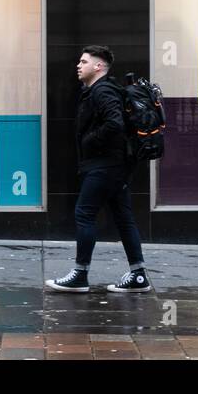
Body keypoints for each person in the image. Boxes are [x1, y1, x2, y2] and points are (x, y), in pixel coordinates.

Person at [45, 45, 151, 293]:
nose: (78, 66)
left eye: (84, 62)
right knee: (124, 218)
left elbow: (114, 123)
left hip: (104, 166)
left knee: (84, 214)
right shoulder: (102, 90)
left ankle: (80, 274)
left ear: (98, 66)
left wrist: (90, 140)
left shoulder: (102, 91)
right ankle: (138, 275)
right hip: (116, 166)